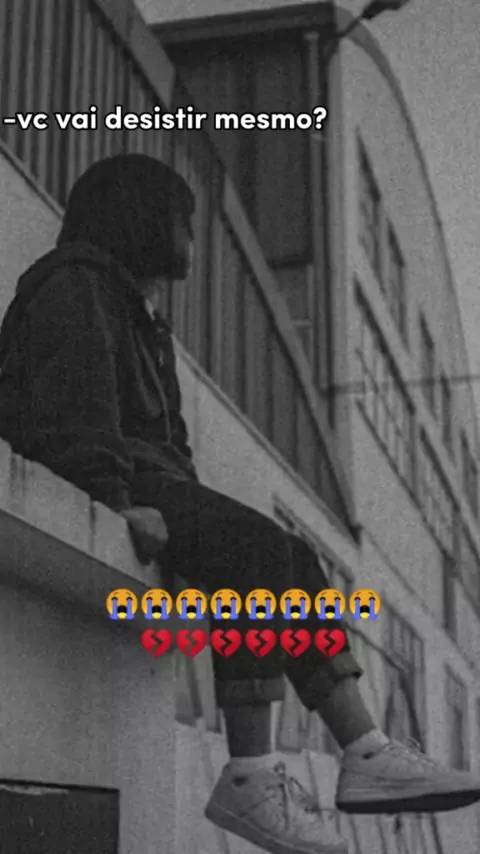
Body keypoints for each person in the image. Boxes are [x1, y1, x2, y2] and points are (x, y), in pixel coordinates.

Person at [0, 153, 478, 854]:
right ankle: (250, 778)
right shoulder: (73, 284)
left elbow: (174, 449)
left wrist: (191, 522)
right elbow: (76, 406)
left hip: (149, 481)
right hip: (105, 473)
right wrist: (113, 496)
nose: (192, 237)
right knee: (254, 549)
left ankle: (365, 750)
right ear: (141, 218)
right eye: (182, 220)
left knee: (293, 555)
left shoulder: (145, 321)